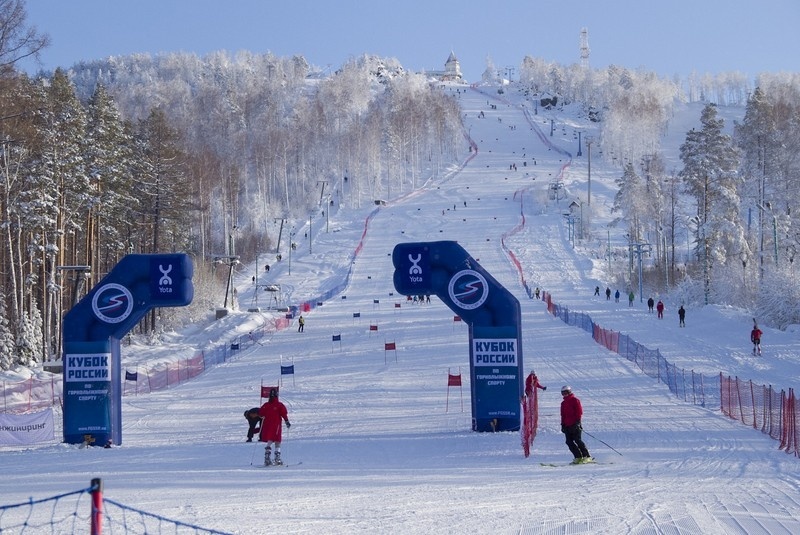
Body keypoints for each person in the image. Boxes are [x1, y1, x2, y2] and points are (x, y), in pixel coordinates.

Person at [258, 388, 291, 466]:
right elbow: (284, 413)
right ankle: (277, 458)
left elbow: (260, 413)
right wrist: (286, 421)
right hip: (276, 425)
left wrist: (262, 415)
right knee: (277, 440)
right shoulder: (279, 405)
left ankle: (267, 456)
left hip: (267, 425)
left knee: (270, 439)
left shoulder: (266, 405)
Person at [560, 386, 591, 463]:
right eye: (563, 393)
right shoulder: (563, 403)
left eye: (566, 393)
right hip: (567, 425)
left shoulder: (575, 400)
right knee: (569, 442)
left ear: (569, 392)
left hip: (575, 424)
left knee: (577, 440)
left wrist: (577, 422)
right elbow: (563, 415)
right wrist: (563, 425)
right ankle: (578, 457)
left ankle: (586, 456)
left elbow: (579, 412)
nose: (564, 395)